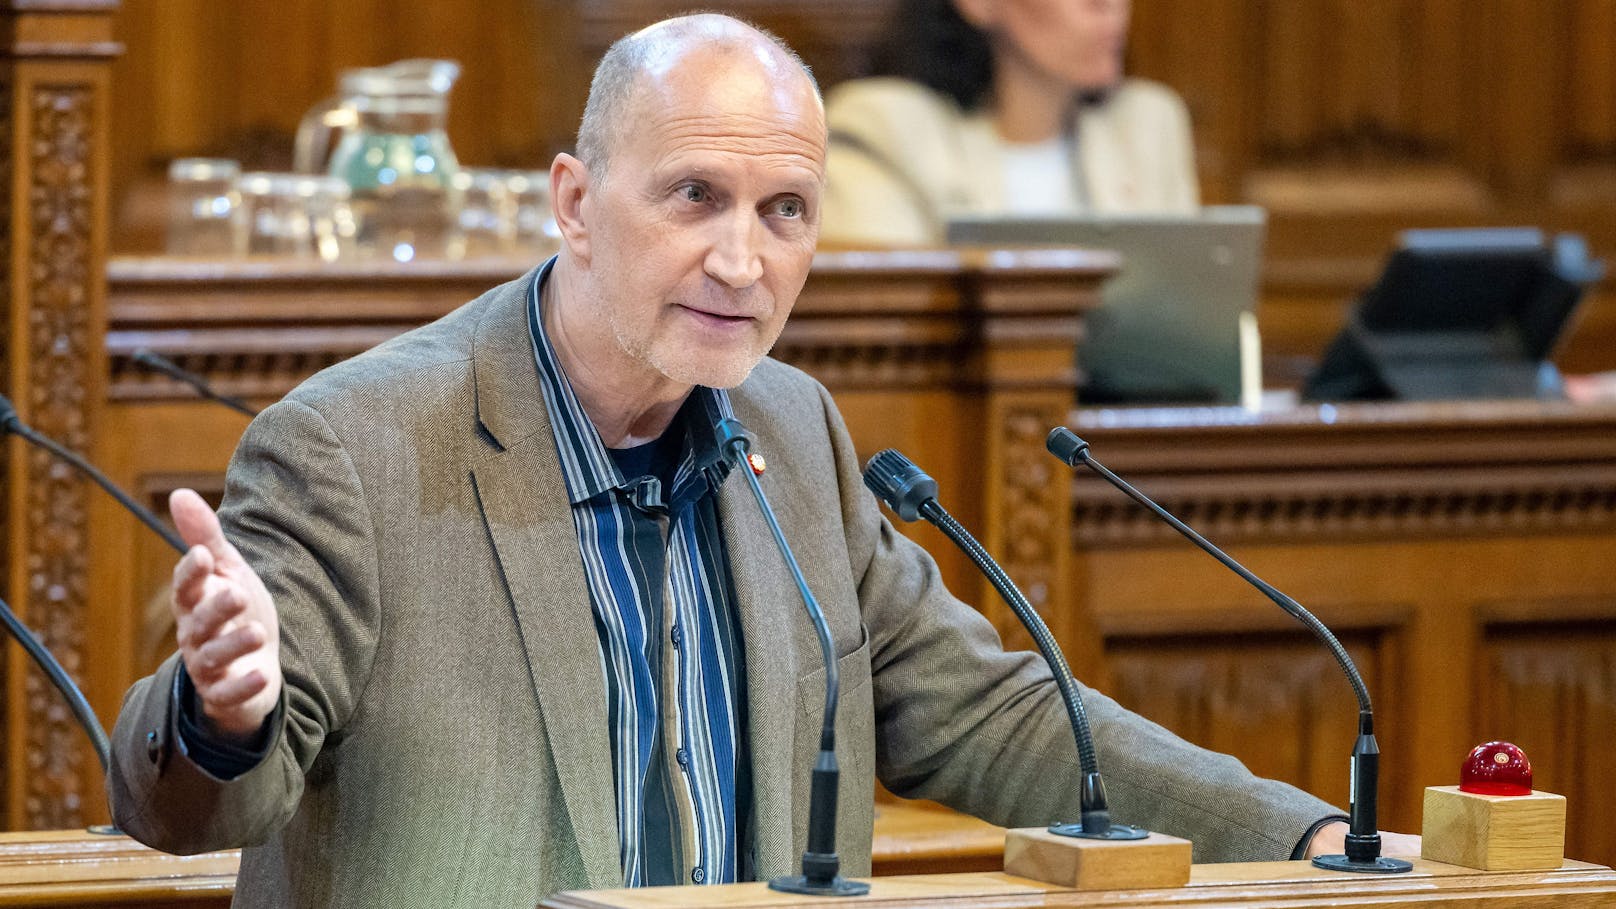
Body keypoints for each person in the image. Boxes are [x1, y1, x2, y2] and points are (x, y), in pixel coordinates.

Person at [107, 14, 1403, 907]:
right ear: (573, 201)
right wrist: (229, 711)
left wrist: (1308, 836)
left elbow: (1004, 718)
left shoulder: (791, 432)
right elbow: (181, 809)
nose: (745, 261)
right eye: (696, 199)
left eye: (785, 212)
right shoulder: (360, 445)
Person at [820, 0, 1199, 246]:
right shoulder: (885, 126)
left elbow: (1185, 318)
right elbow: (892, 321)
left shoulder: (1149, 123)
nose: (1108, 5)